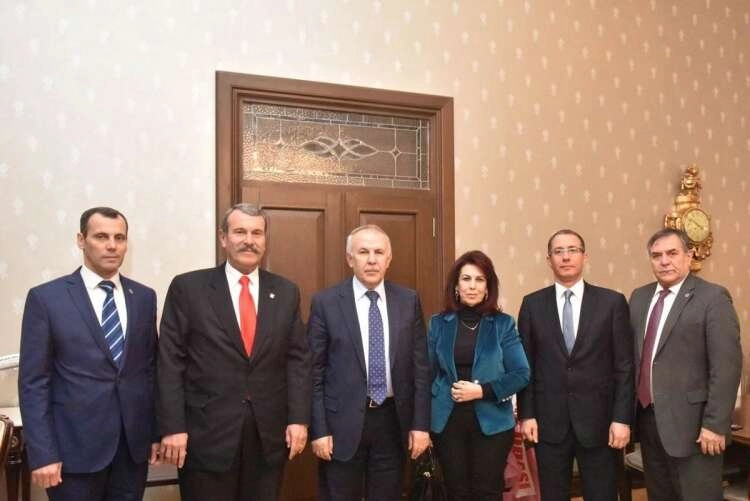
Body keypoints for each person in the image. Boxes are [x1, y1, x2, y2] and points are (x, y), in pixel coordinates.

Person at [157, 203, 311, 501]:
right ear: (223, 238)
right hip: (205, 436)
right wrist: (172, 427)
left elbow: (298, 360)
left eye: (257, 233)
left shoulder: (286, 292)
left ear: (265, 239)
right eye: (240, 232)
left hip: (268, 438)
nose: (249, 240)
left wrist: (299, 419)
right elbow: (170, 362)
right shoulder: (189, 288)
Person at [19, 207, 159, 501]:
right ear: (81, 240)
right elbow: (34, 383)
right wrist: (43, 453)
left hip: (131, 451)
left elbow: (150, 371)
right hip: (73, 452)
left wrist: (156, 433)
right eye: (101, 237)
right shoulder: (47, 298)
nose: (112, 245)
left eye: (120, 238)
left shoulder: (144, 297)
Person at [308, 224, 430, 501]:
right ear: (350, 259)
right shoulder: (326, 302)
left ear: (389, 259)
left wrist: (421, 425)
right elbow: (314, 372)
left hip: (392, 421)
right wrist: (319, 429)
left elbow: (421, 369)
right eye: (363, 252)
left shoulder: (408, 300)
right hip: (340, 424)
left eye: (378, 252)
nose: (372, 260)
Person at [517, 229, 633, 501]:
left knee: (602, 495)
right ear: (549, 260)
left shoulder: (611, 303)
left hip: (600, 424)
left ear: (585, 256)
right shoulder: (532, 304)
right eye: (558, 252)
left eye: (572, 250)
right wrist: (527, 414)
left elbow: (624, 366)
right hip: (548, 423)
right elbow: (526, 365)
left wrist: (622, 418)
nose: (566, 257)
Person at [630, 228, 741, 501]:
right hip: (648, 421)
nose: (664, 261)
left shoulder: (712, 298)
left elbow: (726, 367)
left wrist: (715, 424)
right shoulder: (639, 297)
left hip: (696, 428)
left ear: (689, 256)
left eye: (672, 253)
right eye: (656, 255)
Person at [428, 250, 530, 500]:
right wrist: (421, 422)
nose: (472, 286)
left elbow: (521, 373)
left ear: (488, 288)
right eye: (466, 279)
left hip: (492, 423)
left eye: (479, 279)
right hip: (447, 422)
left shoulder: (503, 324)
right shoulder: (438, 323)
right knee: (456, 492)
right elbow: (426, 375)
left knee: (487, 492)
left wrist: (481, 391)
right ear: (456, 286)